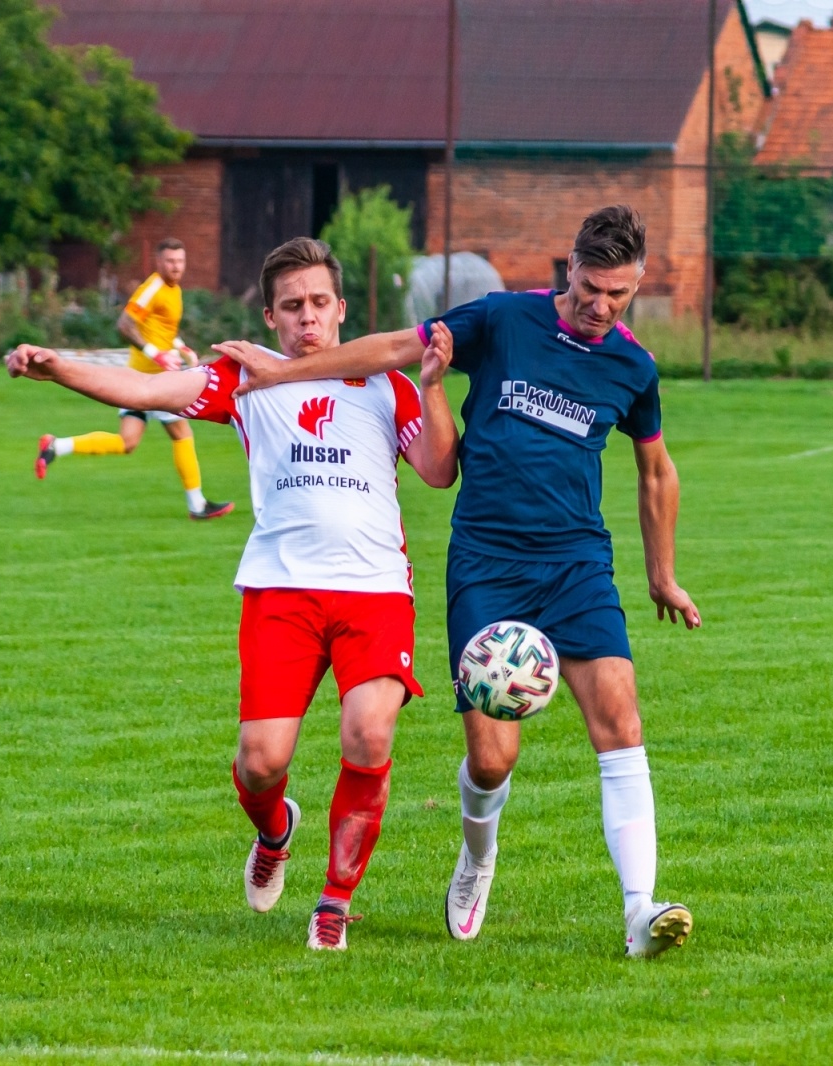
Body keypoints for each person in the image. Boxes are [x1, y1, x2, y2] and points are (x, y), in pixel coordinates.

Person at [213, 206, 702, 958]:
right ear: (567, 268)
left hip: (577, 564)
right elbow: (387, 349)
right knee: (492, 759)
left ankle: (641, 910)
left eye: (620, 294)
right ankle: (477, 855)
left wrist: (663, 575)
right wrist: (284, 370)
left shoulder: (632, 367)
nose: (602, 306)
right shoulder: (503, 321)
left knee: (620, 721)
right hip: (488, 565)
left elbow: (656, 470)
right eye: (592, 287)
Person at [6, 237, 459, 950]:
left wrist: (432, 385)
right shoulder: (245, 379)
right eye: (291, 307)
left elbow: (438, 470)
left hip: (373, 591)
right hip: (281, 591)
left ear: (341, 309)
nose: (307, 318)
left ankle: (334, 904)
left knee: (370, 732)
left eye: (318, 303)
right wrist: (58, 365)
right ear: (271, 317)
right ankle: (276, 830)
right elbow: (147, 391)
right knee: (260, 762)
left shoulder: (385, 385)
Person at [33, 238, 234, 520]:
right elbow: (125, 325)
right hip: (152, 380)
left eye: (180, 262)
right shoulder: (152, 288)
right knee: (182, 433)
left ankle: (57, 446)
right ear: (158, 262)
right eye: (170, 261)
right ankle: (197, 505)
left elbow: (160, 328)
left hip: (140, 381)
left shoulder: (173, 291)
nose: (176, 267)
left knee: (127, 442)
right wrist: (158, 355)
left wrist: (180, 345)